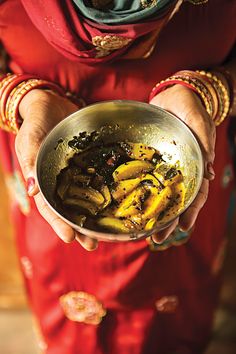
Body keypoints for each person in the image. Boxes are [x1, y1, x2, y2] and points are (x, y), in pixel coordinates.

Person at [0, 0, 235, 353]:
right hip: (46, 164)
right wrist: (23, 100)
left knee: (176, 312)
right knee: (72, 320)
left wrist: (212, 91)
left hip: (191, 152)